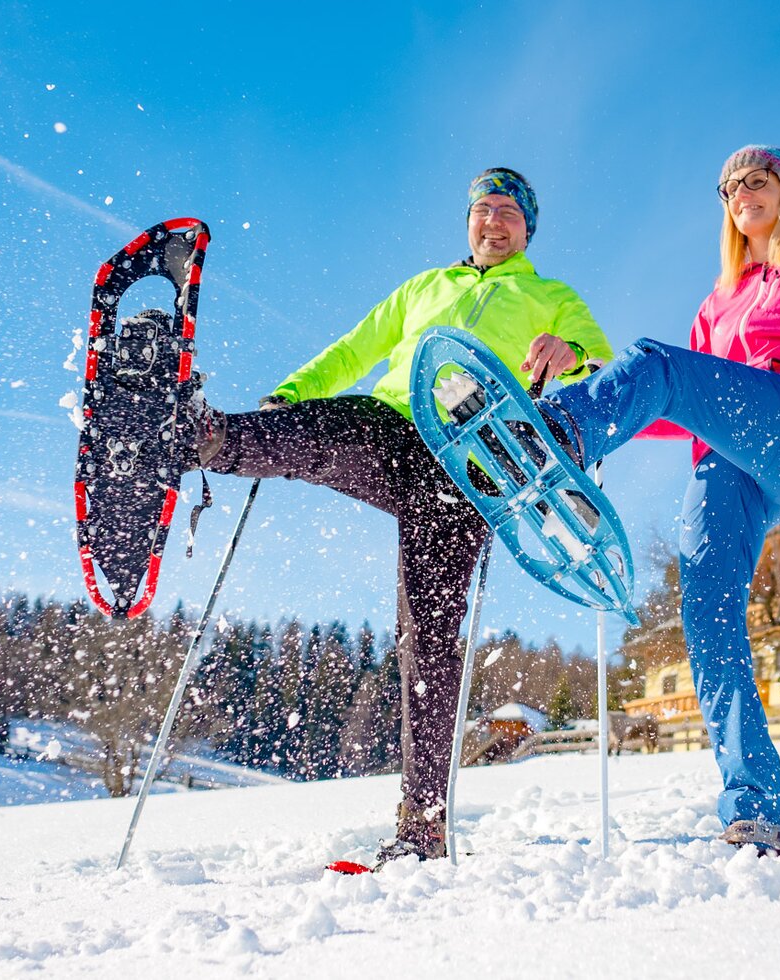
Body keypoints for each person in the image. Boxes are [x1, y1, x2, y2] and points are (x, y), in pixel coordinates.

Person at [178, 167, 613, 865]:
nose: (493, 222)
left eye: (507, 213)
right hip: (392, 425)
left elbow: (600, 367)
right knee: (324, 429)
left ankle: (422, 827)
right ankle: (204, 437)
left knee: (429, 638)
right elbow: (357, 348)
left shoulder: (551, 296)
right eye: (483, 210)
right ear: (468, 221)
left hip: (470, 457)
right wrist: (290, 393)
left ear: (527, 229)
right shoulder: (424, 287)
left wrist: (572, 354)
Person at [527, 145, 780, 854]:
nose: (741, 193)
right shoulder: (718, 301)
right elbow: (684, 403)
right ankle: (756, 809)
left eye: (756, 180)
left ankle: (553, 436)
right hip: (725, 464)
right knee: (706, 619)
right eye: (730, 186)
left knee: (654, 363)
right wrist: (624, 407)